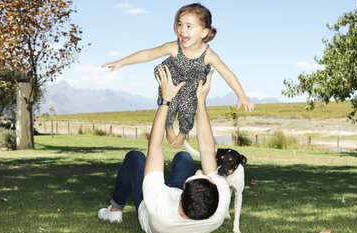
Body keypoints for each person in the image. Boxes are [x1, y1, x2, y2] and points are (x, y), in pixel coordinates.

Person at [97, 65, 231, 233]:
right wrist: (201, 100)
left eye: (197, 177)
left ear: (182, 192)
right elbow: (206, 149)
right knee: (184, 157)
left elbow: (155, 148)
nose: (199, 172)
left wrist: (166, 100)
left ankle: (114, 211)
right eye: (204, 176)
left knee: (135, 157)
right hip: (179, 203)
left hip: (153, 213)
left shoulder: (157, 205)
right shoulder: (220, 206)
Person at [102, 3, 254, 148]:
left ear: (204, 32)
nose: (182, 30)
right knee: (168, 105)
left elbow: (227, 73)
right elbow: (148, 54)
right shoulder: (174, 47)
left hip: (191, 86)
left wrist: (241, 95)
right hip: (172, 82)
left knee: (188, 108)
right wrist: (122, 62)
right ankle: (168, 127)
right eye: (179, 24)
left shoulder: (209, 55)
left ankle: (183, 133)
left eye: (189, 26)